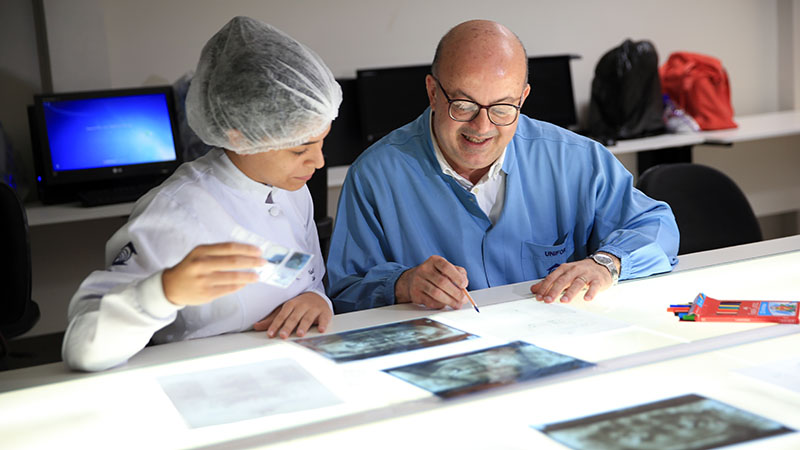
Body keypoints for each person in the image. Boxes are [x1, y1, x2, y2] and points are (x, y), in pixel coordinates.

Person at [327, 20, 679, 313]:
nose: (482, 128)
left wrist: (606, 264)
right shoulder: (375, 176)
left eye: (502, 107)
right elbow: (344, 291)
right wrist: (401, 285)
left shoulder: (575, 158)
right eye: (463, 105)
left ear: (523, 98)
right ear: (433, 92)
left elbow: (656, 226)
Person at [62, 16, 342, 372]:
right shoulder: (175, 210)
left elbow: (308, 276)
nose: (318, 162)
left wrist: (315, 299)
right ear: (240, 135)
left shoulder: (292, 192)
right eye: (299, 149)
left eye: (322, 142)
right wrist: (163, 292)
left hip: (288, 365)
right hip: (206, 379)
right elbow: (81, 348)